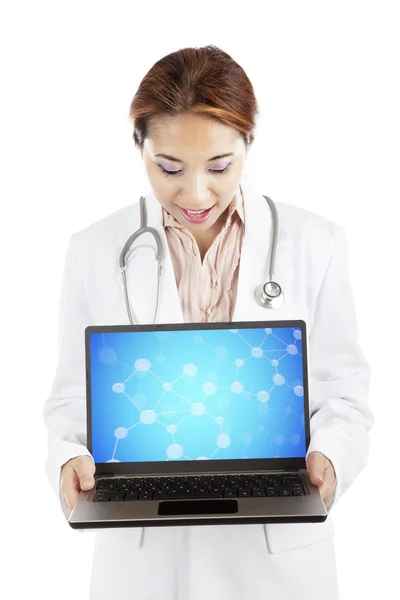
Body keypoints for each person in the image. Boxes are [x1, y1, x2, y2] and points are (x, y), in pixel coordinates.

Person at [43, 45, 374, 600]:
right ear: (139, 148)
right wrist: (68, 457)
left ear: (249, 143)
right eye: (168, 167)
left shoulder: (317, 244)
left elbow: (345, 393)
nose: (195, 194)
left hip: (277, 561)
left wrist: (331, 458)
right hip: (145, 562)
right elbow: (71, 399)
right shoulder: (94, 250)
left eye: (220, 166)